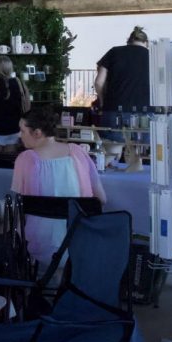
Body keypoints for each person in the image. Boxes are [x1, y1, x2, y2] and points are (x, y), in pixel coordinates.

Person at [11, 106, 107, 265]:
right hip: (81, 241)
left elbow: (19, 206)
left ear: (37, 133)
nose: (19, 135)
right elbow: (101, 199)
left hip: (39, 243)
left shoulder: (25, 159)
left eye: (22, 131)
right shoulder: (78, 152)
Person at [93, 26, 150, 130]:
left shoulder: (114, 52)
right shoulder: (152, 56)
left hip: (114, 111)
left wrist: (102, 102)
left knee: (114, 145)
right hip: (145, 114)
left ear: (129, 41)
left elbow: (98, 82)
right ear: (146, 42)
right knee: (142, 146)